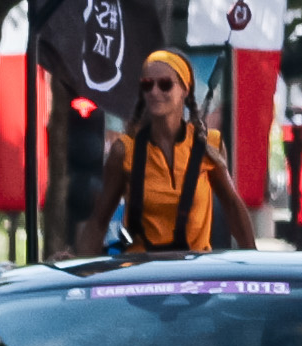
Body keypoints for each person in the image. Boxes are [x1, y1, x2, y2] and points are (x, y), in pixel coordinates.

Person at [99, 51, 251, 255]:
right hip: (142, 275)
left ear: (185, 90)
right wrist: (79, 273)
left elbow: (233, 207)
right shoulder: (125, 151)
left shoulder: (210, 145)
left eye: (164, 84)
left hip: (195, 274)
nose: (154, 92)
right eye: (147, 85)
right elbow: (98, 221)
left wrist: (254, 262)